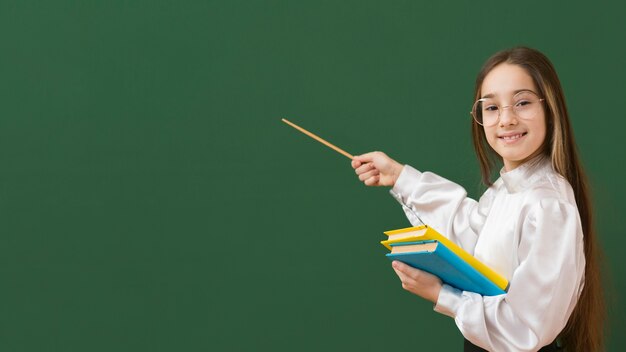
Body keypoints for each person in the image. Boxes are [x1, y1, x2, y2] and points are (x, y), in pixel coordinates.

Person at [351, 47, 605, 352]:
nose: (507, 119)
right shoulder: (505, 190)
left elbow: (525, 330)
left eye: (522, 102)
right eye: (492, 107)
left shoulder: (548, 204)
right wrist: (399, 175)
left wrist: (442, 295)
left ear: (550, 108)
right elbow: (471, 237)